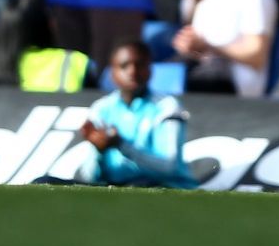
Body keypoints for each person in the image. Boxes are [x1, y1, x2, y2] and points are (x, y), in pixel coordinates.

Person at [71, 41, 199, 189]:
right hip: (116, 193)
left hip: (164, 191)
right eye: (124, 66)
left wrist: (121, 145)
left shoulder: (167, 106)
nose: (132, 71)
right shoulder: (101, 109)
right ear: (112, 72)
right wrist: (98, 151)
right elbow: (90, 178)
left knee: (141, 186)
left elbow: (170, 167)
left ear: (150, 70)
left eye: (139, 65)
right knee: (44, 181)